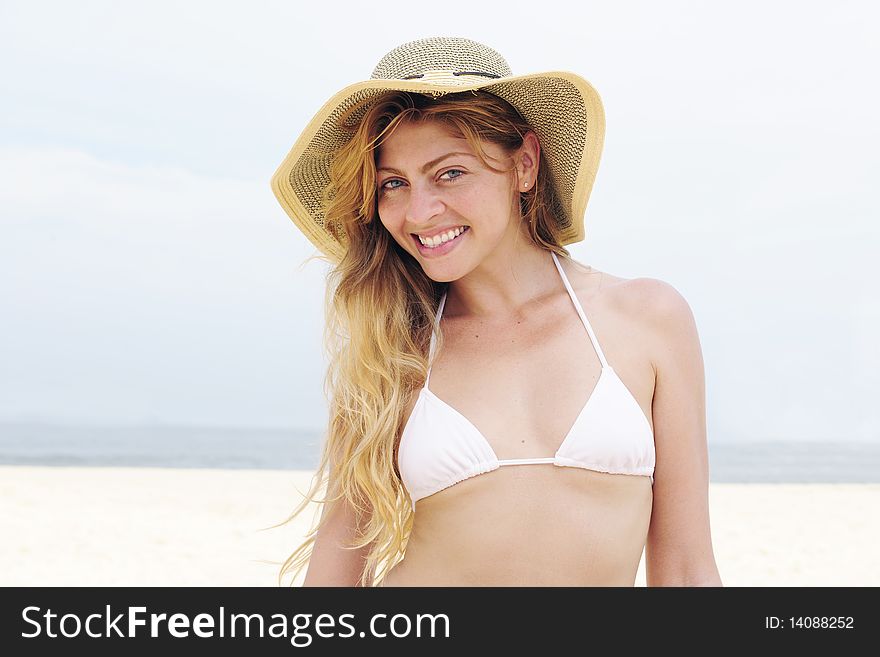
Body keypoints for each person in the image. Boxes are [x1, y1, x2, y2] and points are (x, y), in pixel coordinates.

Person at [270, 36, 722, 587]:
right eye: (394, 183)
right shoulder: (393, 349)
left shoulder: (648, 318)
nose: (419, 211)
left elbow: (684, 565)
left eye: (450, 172)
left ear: (524, 164)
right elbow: (333, 578)